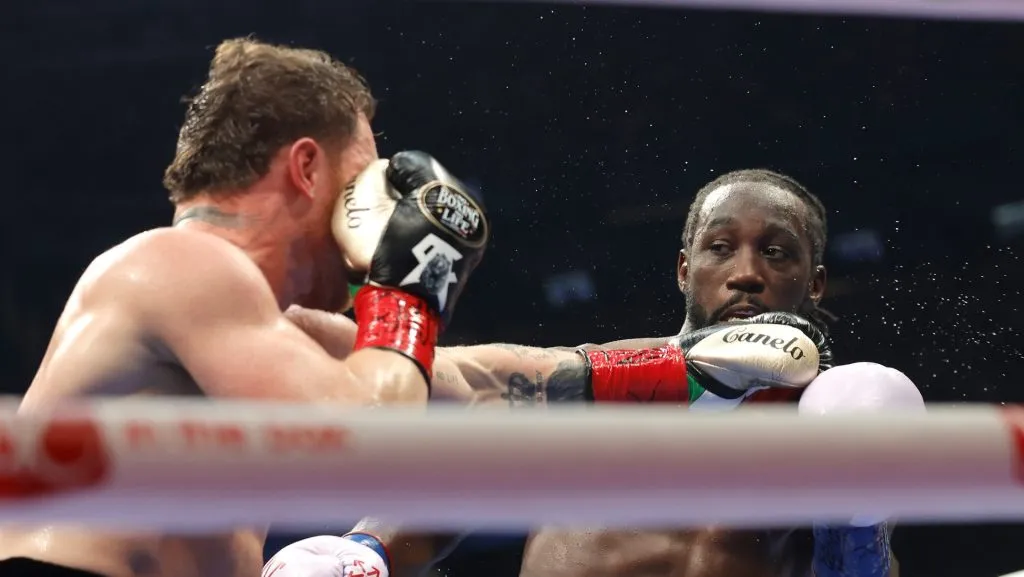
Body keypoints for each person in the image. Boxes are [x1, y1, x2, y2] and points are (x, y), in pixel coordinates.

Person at [265, 169, 923, 576]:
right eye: (721, 247)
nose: (747, 271)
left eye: (775, 253)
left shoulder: (832, 415)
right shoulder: (608, 379)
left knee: (867, 398)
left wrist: (856, 525)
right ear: (684, 269)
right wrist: (368, 546)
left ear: (815, 283)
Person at [0, 37, 492, 577]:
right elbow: (360, 445)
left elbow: (472, 398)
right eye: (361, 181)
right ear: (306, 167)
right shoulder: (177, 262)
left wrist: (365, 547)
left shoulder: (264, 328)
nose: (378, 212)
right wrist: (416, 286)